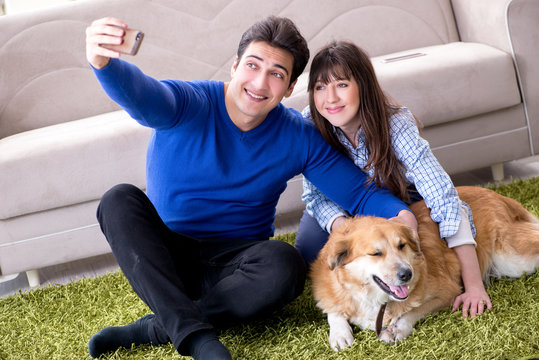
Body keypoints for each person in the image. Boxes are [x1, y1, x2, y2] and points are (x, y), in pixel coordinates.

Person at [85, 17, 416, 359]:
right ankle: (198, 339)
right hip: (165, 262)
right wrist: (104, 64)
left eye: (276, 73)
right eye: (252, 65)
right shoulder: (188, 102)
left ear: (289, 87)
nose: (259, 82)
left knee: (285, 262)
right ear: (234, 65)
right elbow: (144, 96)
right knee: (117, 199)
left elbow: (359, 193)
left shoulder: (297, 135)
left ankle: (158, 325)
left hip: (238, 268)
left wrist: (402, 216)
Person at [294, 41, 492, 319]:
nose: (330, 98)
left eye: (341, 84)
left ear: (362, 85)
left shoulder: (395, 122)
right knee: (305, 258)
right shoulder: (309, 124)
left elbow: (443, 197)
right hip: (340, 207)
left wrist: (473, 286)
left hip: (397, 197)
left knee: (422, 236)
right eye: (320, 87)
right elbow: (315, 196)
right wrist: (347, 230)